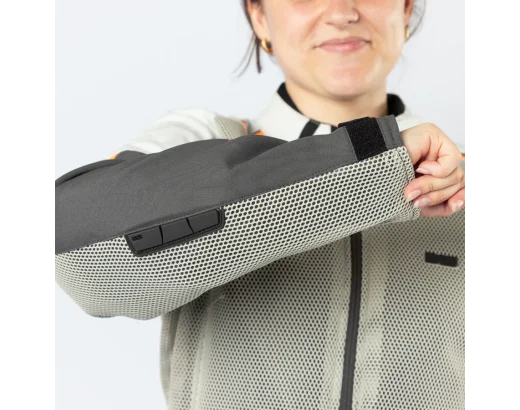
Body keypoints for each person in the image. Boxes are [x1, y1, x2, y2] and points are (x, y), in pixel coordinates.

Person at [54, 0, 467, 409]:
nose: (343, 12)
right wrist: (376, 160)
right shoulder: (197, 137)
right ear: (259, 17)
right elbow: (75, 250)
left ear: (406, 10)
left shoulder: (459, 180)